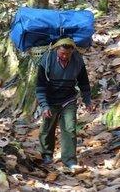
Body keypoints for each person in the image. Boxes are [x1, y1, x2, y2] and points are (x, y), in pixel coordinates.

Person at [35, 37, 95, 169]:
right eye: (62, 53)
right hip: (50, 99)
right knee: (47, 128)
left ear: (72, 51)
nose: (64, 56)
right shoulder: (47, 60)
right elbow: (40, 87)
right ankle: (46, 155)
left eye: (68, 54)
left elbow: (83, 82)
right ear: (56, 49)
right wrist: (44, 106)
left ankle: (69, 160)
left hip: (69, 99)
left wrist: (87, 100)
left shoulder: (77, 60)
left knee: (70, 129)